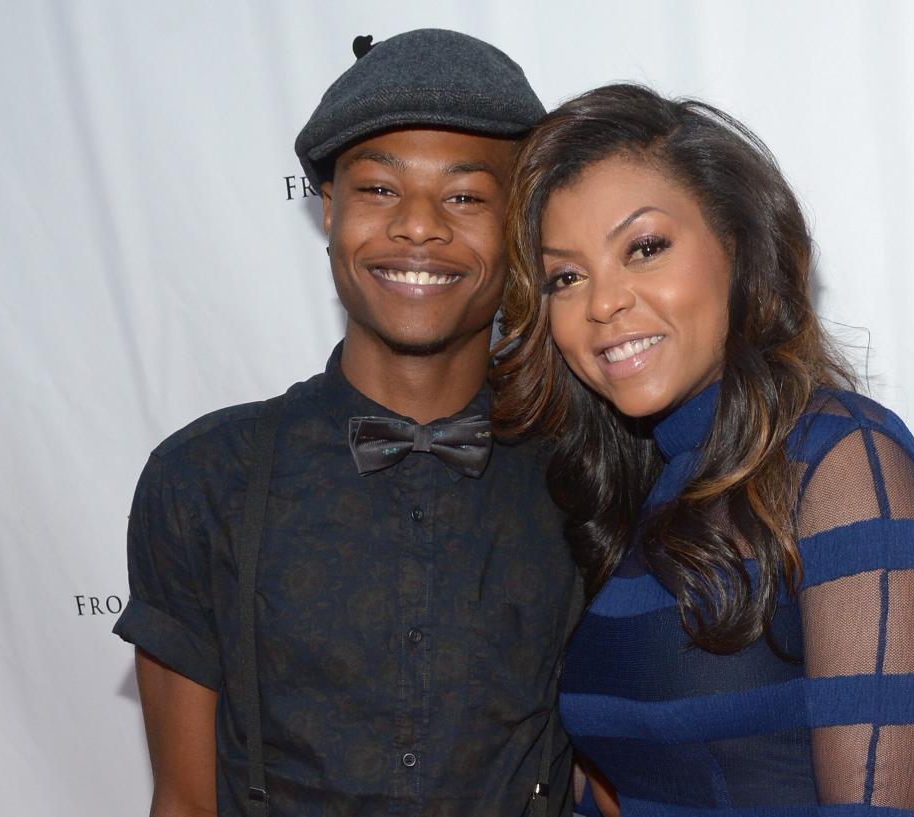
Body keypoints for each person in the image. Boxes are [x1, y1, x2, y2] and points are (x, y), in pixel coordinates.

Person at [113, 30, 581, 817]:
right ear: (329, 209)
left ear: (520, 229)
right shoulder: (203, 479)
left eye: (465, 196)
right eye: (378, 190)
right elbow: (185, 800)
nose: (419, 227)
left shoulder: (588, 476)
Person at [493, 84, 914, 816]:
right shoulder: (617, 493)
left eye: (644, 248)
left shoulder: (841, 462)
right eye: (567, 276)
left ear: (738, 246)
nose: (603, 301)